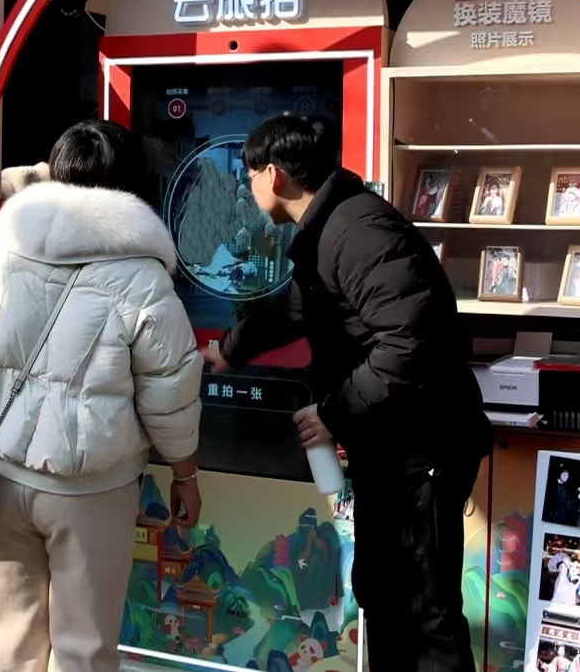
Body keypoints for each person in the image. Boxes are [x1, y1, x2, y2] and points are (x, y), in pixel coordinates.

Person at [202, 115, 491, 672]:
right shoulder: (329, 229)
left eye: (249, 175)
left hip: (421, 450)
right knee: (382, 591)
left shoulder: (358, 231)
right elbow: (295, 309)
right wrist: (231, 350)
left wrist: (335, 412)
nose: (247, 188)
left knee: (423, 611)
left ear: (275, 175)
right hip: (391, 447)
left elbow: (406, 341)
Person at [0, 119, 203, 672]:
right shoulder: (142, 276)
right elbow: (169, 387)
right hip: (90, 491)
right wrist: (185, 473)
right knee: (83, 649)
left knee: (9, 647)